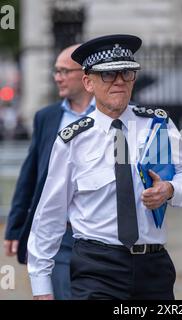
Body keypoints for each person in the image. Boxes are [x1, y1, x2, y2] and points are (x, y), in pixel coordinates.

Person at [27, 34, 182, 300]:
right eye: (108, 75)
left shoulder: (159, 126)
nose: (119, 81)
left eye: (126, 73)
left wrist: (170, 189)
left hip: (153, 267)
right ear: (88, 82)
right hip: (96, 268)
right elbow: (50, 212)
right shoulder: (73, 139)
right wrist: (41, 285)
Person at [4, 44, 95, 300]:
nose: (58, 77)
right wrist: (15, 225)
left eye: (65, 71)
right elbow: (31, 174)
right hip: (61, 233)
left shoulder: (113, 114)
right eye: (56, 71)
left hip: (103, 235)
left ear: (87, 75)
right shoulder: (47, 116)